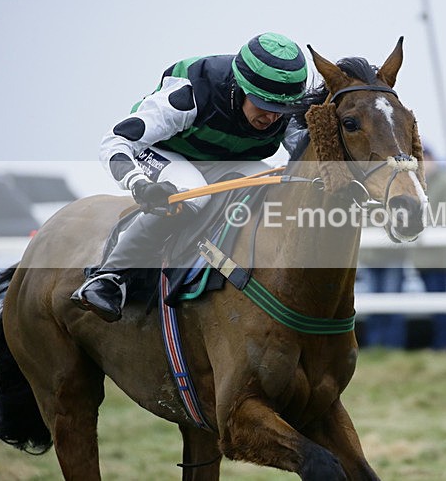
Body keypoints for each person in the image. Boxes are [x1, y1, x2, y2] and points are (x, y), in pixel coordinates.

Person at [72, 32, 308, 322]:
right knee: (194, 190)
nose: (272, 118)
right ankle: (110, 276)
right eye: (264, 106)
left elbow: (310, 162)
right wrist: (139, 184)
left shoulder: (288, 110)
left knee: (268, 182)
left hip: (222, 162)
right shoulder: (190, 95)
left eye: (281, 110)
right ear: (241, 87)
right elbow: (115, 141)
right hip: (162, 154)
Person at [411, 147, 446, 349]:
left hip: (438, 256)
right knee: (432, 304)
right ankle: (438, 344)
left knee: (441, 303)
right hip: (418, 256)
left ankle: (444, 344)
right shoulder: (416, 182)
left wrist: (422, 221)